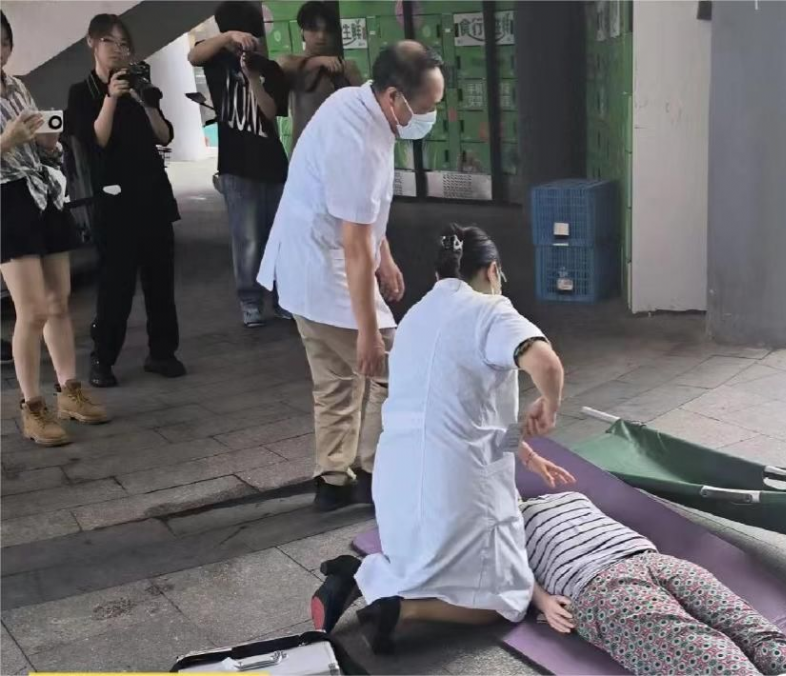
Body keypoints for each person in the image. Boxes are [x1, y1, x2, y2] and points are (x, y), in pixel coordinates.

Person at [309, 225, 576, 653]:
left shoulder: (415, 317)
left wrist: (525, 455)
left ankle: (358, 576)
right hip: (454, 487)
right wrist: (550, 404)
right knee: (504, 598)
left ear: (439, 275)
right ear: (493, 271)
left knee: (426, 564)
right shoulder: (491, 311)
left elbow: (463, 413)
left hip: (394, 484)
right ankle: (400, 610)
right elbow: (546, 364)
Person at [311, 491, 786, 676]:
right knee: (702, 647)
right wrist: (540, 599)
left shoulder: (565, 495)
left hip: (654, 560)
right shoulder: (496, 537)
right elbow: (502, 584)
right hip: (598, 588)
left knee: (744, 622)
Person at [256, 41, 444, 510]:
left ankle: (333, 480)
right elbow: (355, 245)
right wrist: (368, 332)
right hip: (326, 273)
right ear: (394, 96)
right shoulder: (359, 143)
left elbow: (364, 214)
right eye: (426, 107)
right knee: (399, 373)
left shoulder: (352, 101)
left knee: (335, 381)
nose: (431, 116)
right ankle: (377, 474)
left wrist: (386, 255)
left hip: (303, 267)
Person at [1, 11, 109, 445]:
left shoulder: (17, 86)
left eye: (3, 41)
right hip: (6, 202)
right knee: (31, 311)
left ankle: (69, 391)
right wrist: (7, 141)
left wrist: (48, 144)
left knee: (58, 301)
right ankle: (32, 407)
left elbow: (43, 149)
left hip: (42, 194)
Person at [66, 14, 186, 389]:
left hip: (153, 196)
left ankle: (162, 352)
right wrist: (111, 98)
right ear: (92, 43)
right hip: (114, 203)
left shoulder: (138, 85)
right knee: (115, 286)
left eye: (123, 44)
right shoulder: (81, 92)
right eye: (109, 42)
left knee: (160, 282)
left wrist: (145, 101)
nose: (117, 50)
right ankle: (103, 358)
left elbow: (164, 135)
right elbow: (95, 140)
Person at [188, 1, 290, 328]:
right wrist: (227, 37)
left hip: (273, 165)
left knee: (278, 237)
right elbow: (193, 55)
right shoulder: (218, 62)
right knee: (246, 239)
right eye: (239, 37)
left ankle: (283, 299)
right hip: (235, 165)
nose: (244, 45)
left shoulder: (270, 69)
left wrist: (253, 78)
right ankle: (250, 302)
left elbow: (270, 114)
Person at [277, 1, 364, 152]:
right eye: (314, 29)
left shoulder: (347, 67)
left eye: (327, 31)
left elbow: (364, 108)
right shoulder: (292, 65)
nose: (321, 36)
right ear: (302, 32)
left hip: (341, 151)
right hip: (306, 152)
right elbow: (282, 64)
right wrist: (319, 61)